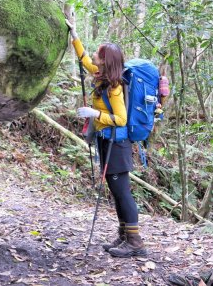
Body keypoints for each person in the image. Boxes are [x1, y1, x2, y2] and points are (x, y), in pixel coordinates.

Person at [65, 20, 147, 258]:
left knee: (121, 191)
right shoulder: (100, 76)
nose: (94, 55)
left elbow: (120, 118)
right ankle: (124, 236)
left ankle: (135, 241)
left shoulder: (115, 87)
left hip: (118, 144)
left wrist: (95, 114)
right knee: (115, 188)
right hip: (105, 139)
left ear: (106, 60)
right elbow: (84, 60)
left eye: (98, 54)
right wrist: (74, 33)